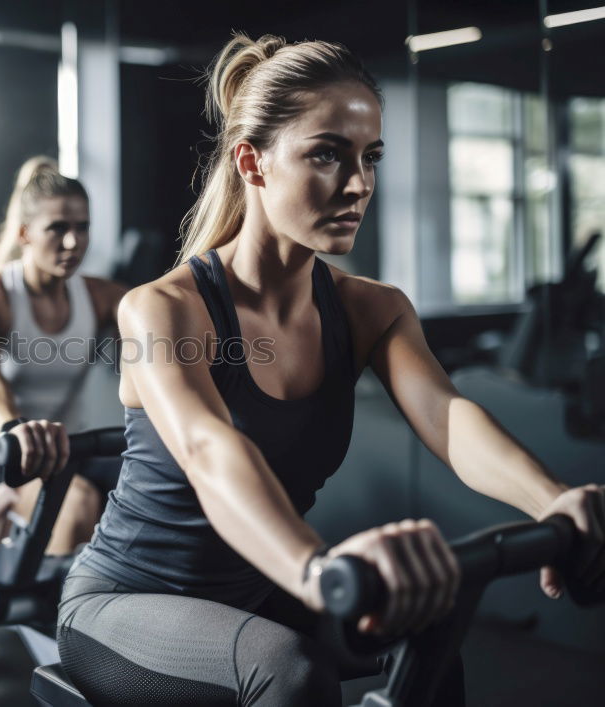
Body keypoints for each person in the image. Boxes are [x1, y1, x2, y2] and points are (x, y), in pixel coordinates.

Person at [55, 33, 605, 706]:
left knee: (430, 645)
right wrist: (315, 568)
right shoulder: (164, 307)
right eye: (327, 154)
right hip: (127, 602)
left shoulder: (373, 309)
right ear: (252, 163)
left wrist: (550, 497)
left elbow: (447, 416)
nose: (359, 184)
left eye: (370, 157)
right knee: (288, 670)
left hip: (258, 588)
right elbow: (208, 449)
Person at [0, 157, 127, 579]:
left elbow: (157, 353)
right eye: (58, 228)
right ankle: (57, 621)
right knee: (74, 501)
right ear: (25, 234)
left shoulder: (100, 297)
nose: (74, 242)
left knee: (162, 484)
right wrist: (12, 428)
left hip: (62, 457)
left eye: (83, 227)